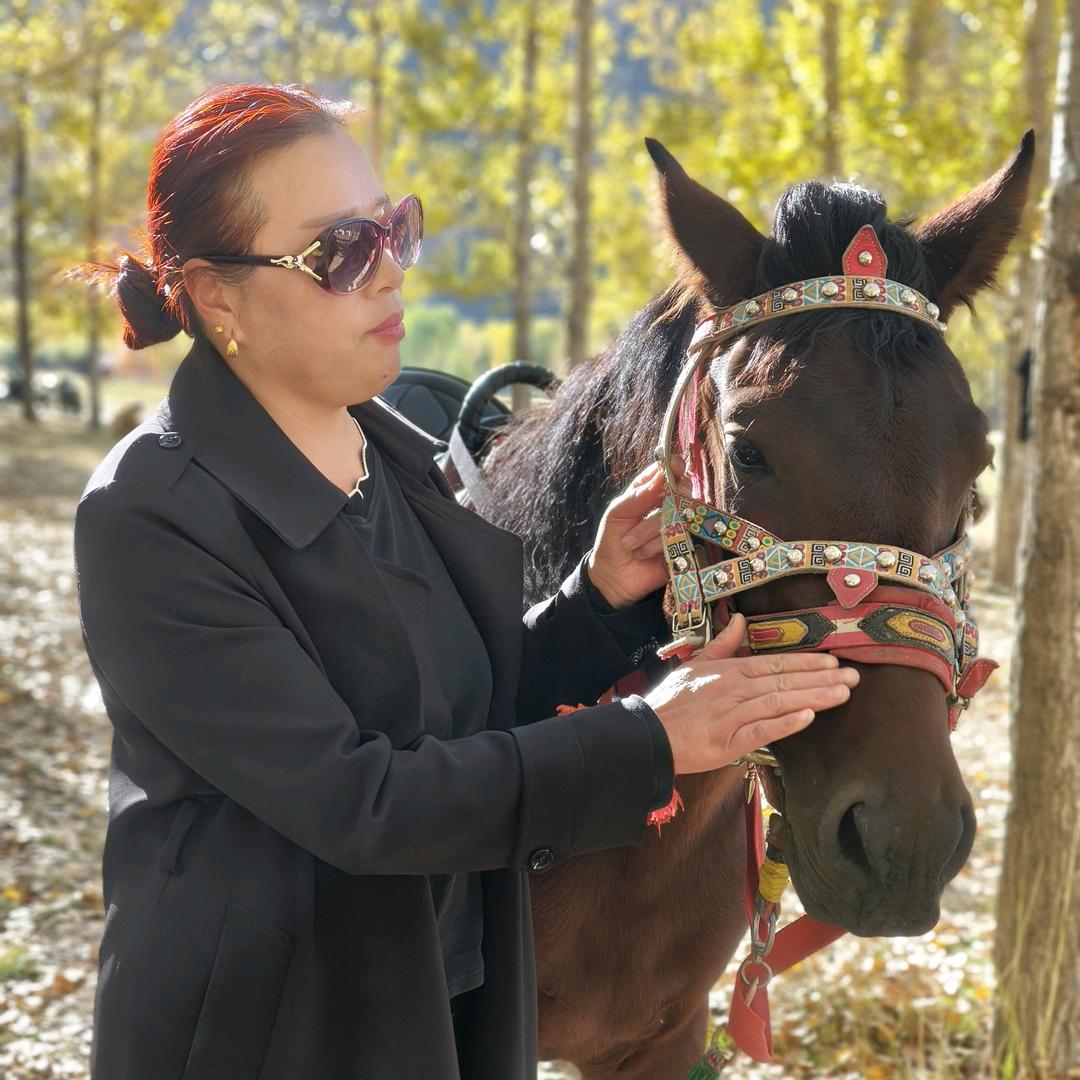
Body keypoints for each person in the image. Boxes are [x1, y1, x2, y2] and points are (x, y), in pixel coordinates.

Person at [70, 82, 858, 1080]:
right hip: (267, 1030)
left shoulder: (384, 453)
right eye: (339, 252)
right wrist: (651, 740)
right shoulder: (152, 513)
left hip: (433, 1007)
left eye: (394, 230)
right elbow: (358, 798)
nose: (390, 274)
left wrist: (594, 599)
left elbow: (456, 712)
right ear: (215, 294)